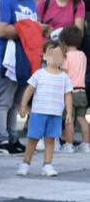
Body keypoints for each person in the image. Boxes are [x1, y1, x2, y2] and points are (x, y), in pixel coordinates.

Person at [0, 0, 47, 156]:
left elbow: (30, 28)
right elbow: (0, 29)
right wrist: (32, 29)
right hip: (5, 60)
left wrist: (38, 29)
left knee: (15, 103)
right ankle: (0, 141)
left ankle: (12, 139)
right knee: (3, 101)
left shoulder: (29, 1)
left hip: (26, 59)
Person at [16, 40, 72, 177]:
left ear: (64, 57)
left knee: (51, 140)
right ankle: (25, 164)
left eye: (58, 54)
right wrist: (23, 106)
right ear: (45, 56)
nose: (55, 57)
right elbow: (29, 91)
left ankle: (47, 165)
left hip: (55, 114)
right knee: (33, 140)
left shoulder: (64, 77)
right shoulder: (39, 74)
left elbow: (68, 95)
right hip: (38, 113)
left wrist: (69, 112)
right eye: (51, 54)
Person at [59, 26, 89, 152]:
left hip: (70, 93)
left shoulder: (66, 57)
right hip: (82, 92)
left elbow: (64, 75)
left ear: (64, 42)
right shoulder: (83, 55)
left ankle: (69, 145)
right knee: (82, 119)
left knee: (69, 119)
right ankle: (86, 144)